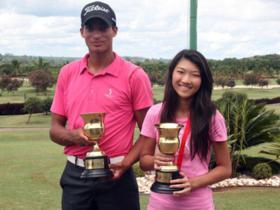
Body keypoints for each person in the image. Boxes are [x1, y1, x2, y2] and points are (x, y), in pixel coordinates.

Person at [49, 1, 153, 210]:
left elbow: (149, 133)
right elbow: (54, 129)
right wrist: (75, 136)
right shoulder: (67, 73)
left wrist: (126, 163)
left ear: (114, 31)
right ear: (82, 32)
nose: (97, 34)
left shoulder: (134, 75)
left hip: (117, 176)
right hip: (75, 175)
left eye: (103, 27)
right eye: (90, 28)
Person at [139, 49, 232, 210]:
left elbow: (225, 168)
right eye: (180, 72)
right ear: (172, 74)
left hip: (198, 205)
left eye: (195, 75)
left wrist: (192, 183)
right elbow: (143, 161)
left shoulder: (213, 117)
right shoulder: (155, 113)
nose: (186, 80)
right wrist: (156, 160)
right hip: (160, 204)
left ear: (203, 80)